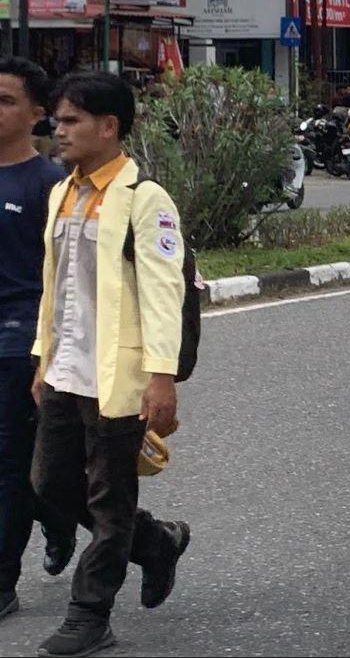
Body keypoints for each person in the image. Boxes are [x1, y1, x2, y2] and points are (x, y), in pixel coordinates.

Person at [30, 72, 192, 658]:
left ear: (109, 127)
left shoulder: (144, 198)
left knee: (108, 496)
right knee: (49, 483)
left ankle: (90, 611)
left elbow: (163, 291)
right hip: (64, 368)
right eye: (58, 118)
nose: (58, 130)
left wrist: (161, 376)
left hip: (118, 377)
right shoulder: (63, 192)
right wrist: (40, 360)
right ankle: (154, 542)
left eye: (71, 120)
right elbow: (57, 287)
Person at [0, 58, 74, 622]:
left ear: (37, 115)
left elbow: (70, 277)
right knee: (33, 473)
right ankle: (60, 516)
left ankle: (2, 582)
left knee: (10, 465)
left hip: (19, 340)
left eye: (5, 100)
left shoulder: (51, 185)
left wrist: (47, 354)